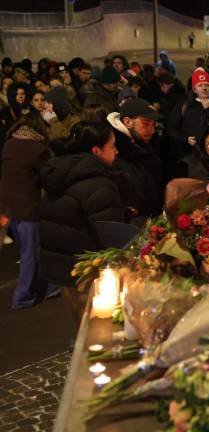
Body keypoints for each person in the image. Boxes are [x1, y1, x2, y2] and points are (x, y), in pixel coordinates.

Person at [39, 121, 127, 287]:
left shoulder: (61, 169)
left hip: (58, 267)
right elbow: (111, 235)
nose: (117, 151)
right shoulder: (98, 183)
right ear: (96, 150)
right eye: (112, 146)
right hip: (86, 272)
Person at [0, 114, 52, 309]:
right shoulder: (37, 149)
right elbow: (49, 176)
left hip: (7, 206)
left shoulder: (9, 143)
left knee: (26, 251)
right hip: (27, 207)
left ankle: (46, 287)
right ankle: (21, 297)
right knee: (30, 253)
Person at [107, 98, 164, 218]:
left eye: (153, 124)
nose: (152, 130)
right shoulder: (114, 154)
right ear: (127, 122)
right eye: (146, 123)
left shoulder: (147, 148)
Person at [166, 67, 209, 161]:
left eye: (207, 85)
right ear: (194, 89)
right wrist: (185, 139)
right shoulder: (183, 106)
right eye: (200, 85)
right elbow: (171, 129)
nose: (204, 88)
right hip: (187, 157)